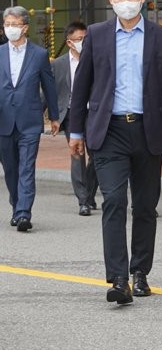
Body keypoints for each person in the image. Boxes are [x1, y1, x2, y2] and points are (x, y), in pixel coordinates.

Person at [68, 0, 162, 304]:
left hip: (148, 131)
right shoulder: (97, 34)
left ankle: (140, 272)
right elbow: (83, 86)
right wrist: (75, 131)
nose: (125, 2)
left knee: (146, 206)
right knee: (115, 201)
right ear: (110, 0)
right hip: (109, 131)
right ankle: (118, 278)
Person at [0, 6, 59, 232]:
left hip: (30, 121)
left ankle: (24, 213)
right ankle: (17, 206)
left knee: (26, 167)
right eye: (7, 24)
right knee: (11, 169)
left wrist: (54, 116)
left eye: (15, 25)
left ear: (25, 27)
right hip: (4, 120)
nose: (10, 29)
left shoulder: (39, 54)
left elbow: (49, 87)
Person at [53, 21, 98, 217]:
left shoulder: (98, 59)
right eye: (80, 40)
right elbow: (49, 92)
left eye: (86, 39)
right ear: (70, 42)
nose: (84, 43)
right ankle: (83, 200)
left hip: (95, 114)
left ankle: (88, 194)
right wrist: (50, 116)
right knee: (77, 155)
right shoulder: (59, 64)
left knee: (97, 156)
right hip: (72, 114)